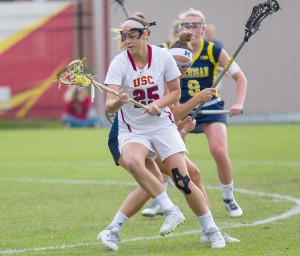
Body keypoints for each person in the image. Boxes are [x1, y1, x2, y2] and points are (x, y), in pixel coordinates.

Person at [97, 13, 228, 252]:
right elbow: (108, 105)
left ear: (145, 34)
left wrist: (159, 105)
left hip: (161, 126)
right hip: (132, 129)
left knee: (184, 180)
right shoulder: (119, 63)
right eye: (124, 36)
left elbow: (175, 94)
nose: (127, 40)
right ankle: (169, 210)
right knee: (134, 162)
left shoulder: (162, 57)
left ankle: (211, 230)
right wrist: (120, 101)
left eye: (132, 35)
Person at [178, 8, 247, 218]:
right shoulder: (175, 51)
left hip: (211, 108)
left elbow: (240, 77)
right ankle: (159, 197)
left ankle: (228, 197)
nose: (191, 29)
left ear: (203, 28)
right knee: (173, 153)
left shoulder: (214, 50)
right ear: (181, 29)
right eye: (187, 25)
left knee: (218, 150)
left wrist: (238, 102)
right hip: (183, 109)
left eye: (195, 25)